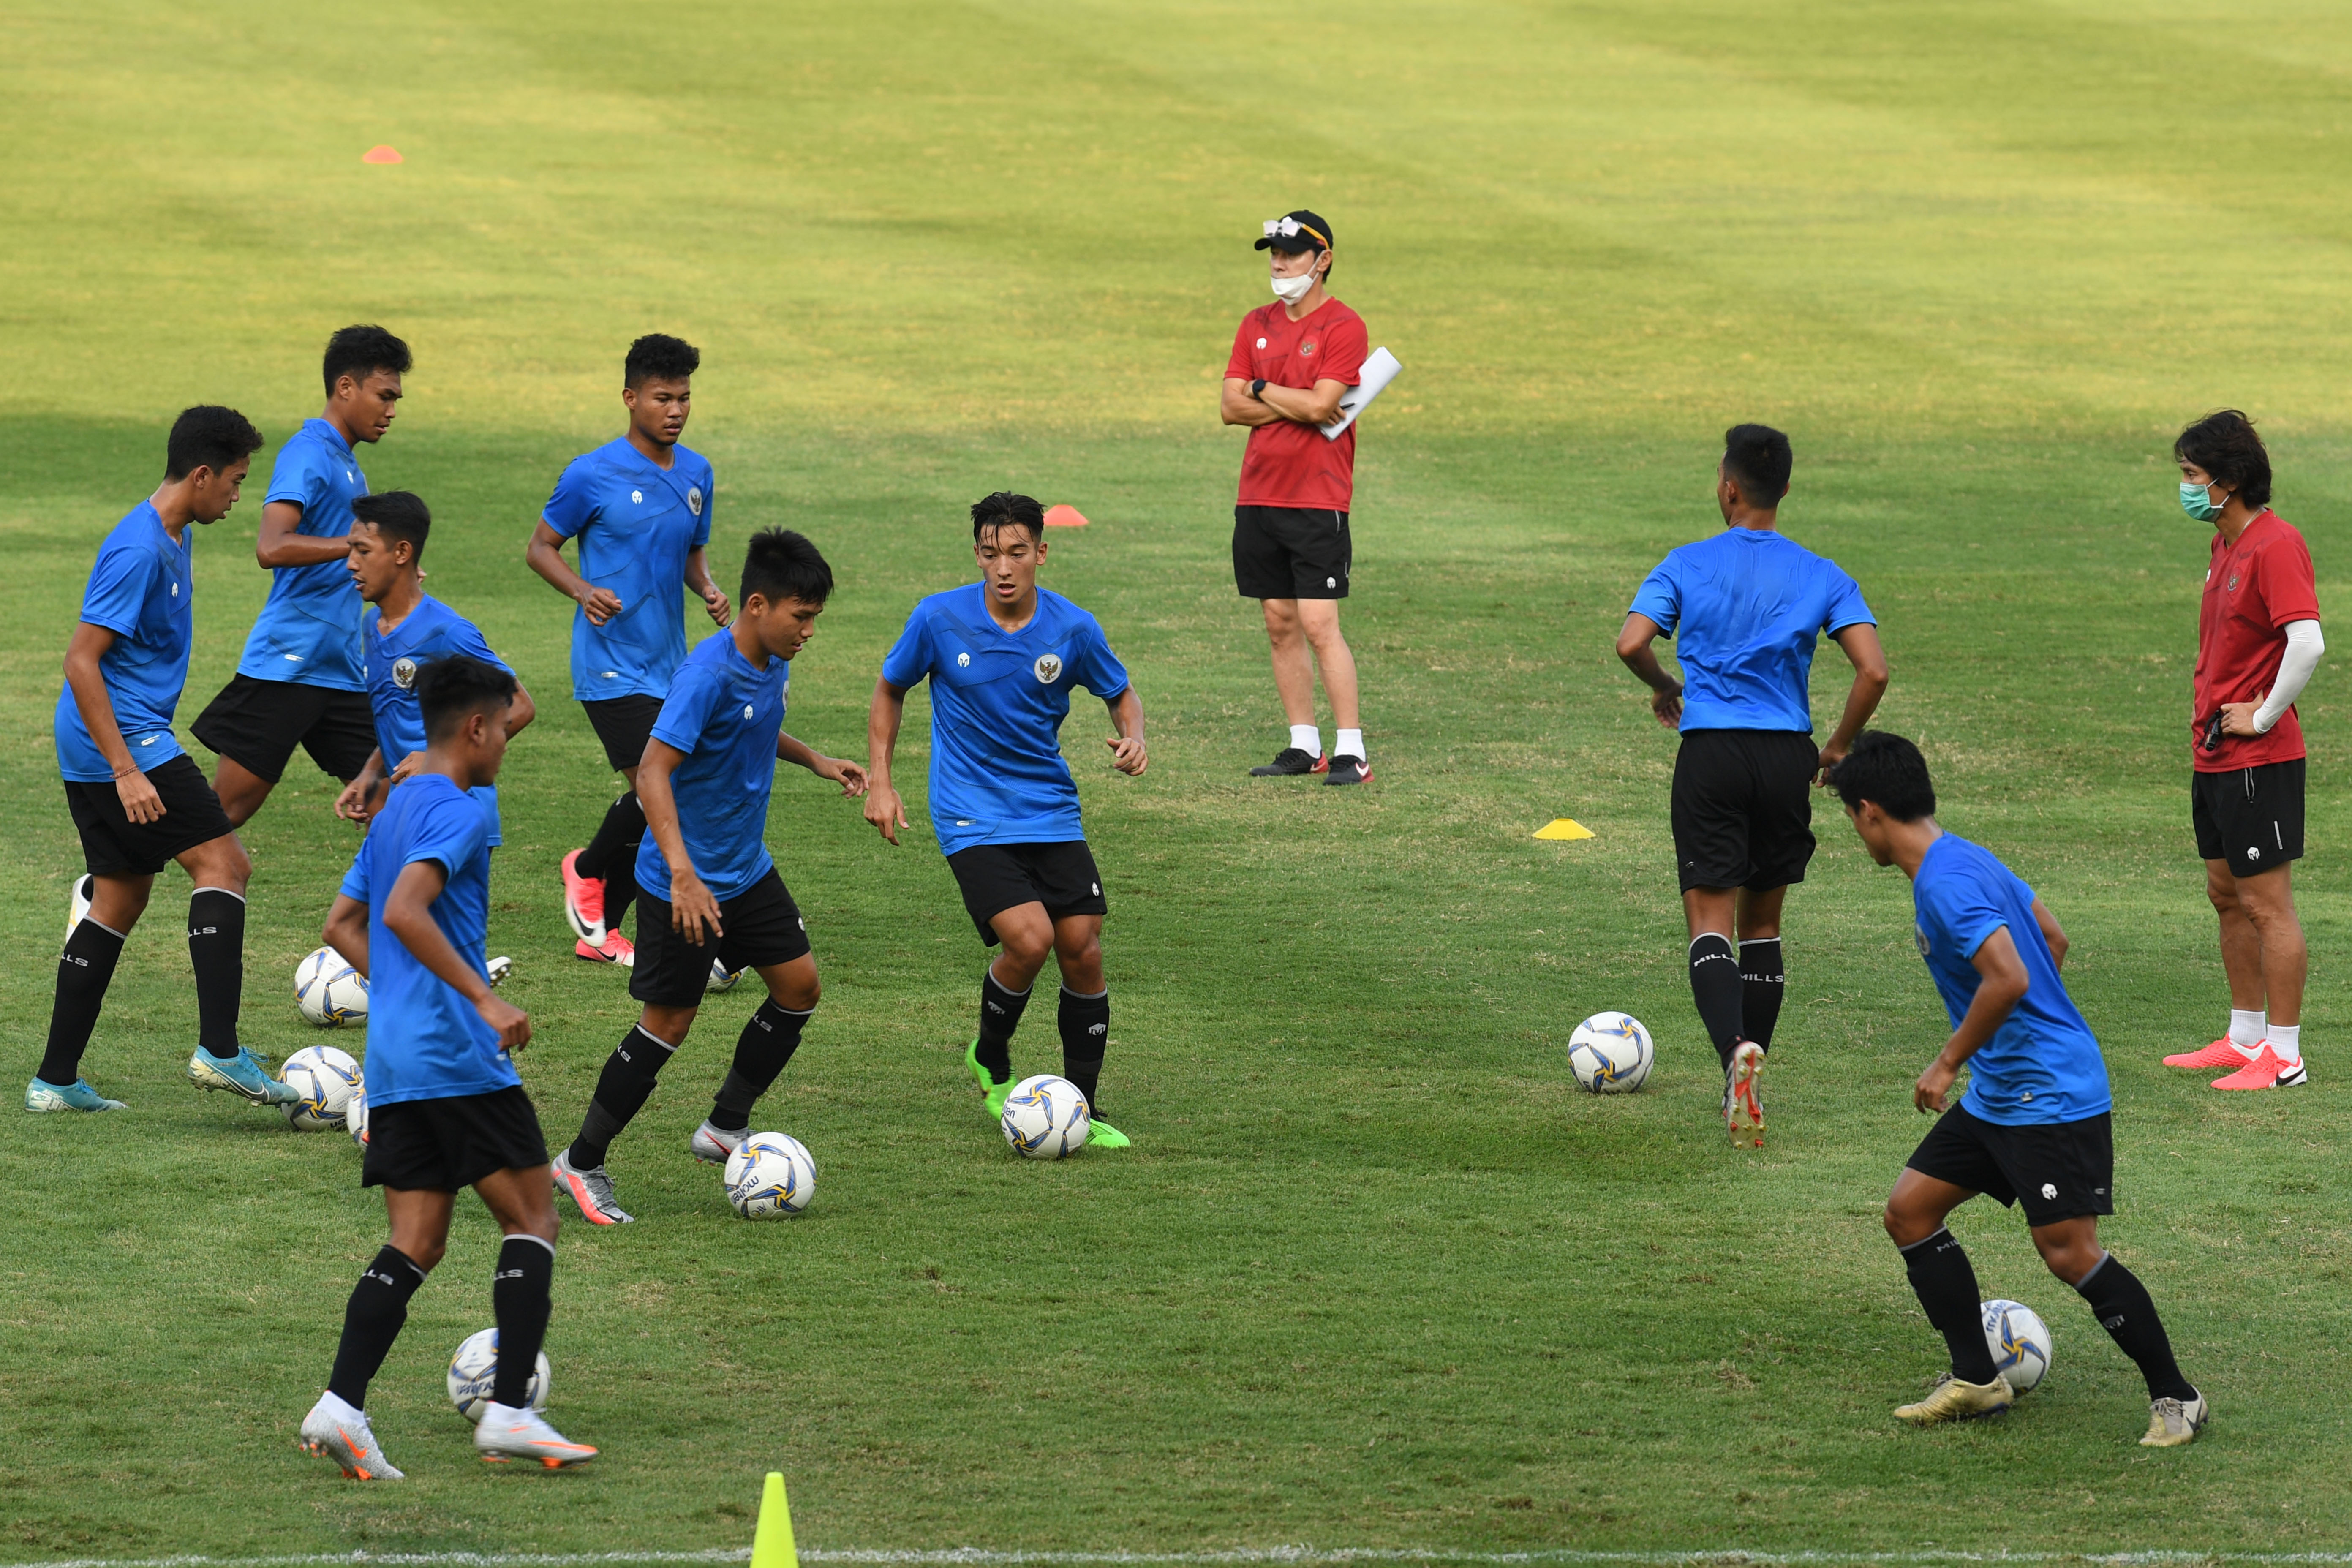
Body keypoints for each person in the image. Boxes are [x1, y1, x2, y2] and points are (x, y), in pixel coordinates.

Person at [1827, 731, 2207, 1446]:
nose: (1856, 831)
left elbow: (2009, 977)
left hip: (2048, 1094)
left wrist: (1948, 1062)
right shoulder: (1965, 855)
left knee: (2069, 1252)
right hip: (2004, 1089)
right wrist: (2023, 1034)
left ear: (1870, 811)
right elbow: (2052, 937)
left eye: (1851, 817)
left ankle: (2177, 1397)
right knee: (1910, 1212)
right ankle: (1976, 1380)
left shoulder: (1943, 883)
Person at [302, 657, 594, 1476]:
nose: (505, 740)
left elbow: (341, 923)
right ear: (474, 727)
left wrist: (402, 988)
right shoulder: (461, 810)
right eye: (502, 727)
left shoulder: (394, 808)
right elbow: (404, 910)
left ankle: (341, 1406)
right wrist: (482, 999)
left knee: (418, 1239)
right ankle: (509, 1412)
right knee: (533, 1220)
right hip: (457, 1055)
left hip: (395, 1058)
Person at [551, 530, 866, 1226]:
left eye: (814, 617)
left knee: (799, 988)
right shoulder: (707, 674)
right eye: (801, 616)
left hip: (745, 869)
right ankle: (579, 1161)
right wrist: (684, 875)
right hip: (682, 883)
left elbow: (752, 728)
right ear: (757, 605)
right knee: (668, 1024)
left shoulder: (771, 660)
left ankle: (725, 1126)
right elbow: (652, 772)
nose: (809, 632)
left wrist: (816, 760)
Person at [1615, 424, 1887, 1147]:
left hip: (1711, 753)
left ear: (1728, 488)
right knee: (1761, 928)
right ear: (1784, 490)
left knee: (1709, 924)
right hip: (1785, 758)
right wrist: (1837, 745)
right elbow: (1874, 670)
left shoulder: (1686, 562)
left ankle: (1734, 1053)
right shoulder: (1822, 573)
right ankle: (1751, 1068)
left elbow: (1630, 642)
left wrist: (1664, 683)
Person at [32, 405, 297, 1113]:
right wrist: (126, 769)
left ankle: (54, 1081)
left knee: (120, 895)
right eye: (236, 481)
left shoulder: (176, 535)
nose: (239, 497)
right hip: (122, 739)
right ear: (202, 475)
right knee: (225, 864)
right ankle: (220, 1049)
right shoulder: (140, 549)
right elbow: (81, 660)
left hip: (106, 736)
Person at [865, 492, 1146, 1146]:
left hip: (1050, 810)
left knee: (1083, 947)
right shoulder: (938, 619)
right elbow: (890, 688)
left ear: (1041, 553)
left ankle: (1085, 1109)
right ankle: (990, 1055)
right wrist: (882, 780)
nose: (1004, 567)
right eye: (991, 553)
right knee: (1030, 940)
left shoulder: (1073, 629)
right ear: (977, 556)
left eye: (1017, 552)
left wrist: (1134, 737)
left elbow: (1120, 692)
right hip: (970, 814)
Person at [525, 333, 731, 967]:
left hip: (671, 665)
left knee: (670, 793)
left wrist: (708, 588)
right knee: (661, 784)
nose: (676, 410)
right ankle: (588, 870)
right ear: (630, 398)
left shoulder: (697, 473)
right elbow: (540, 547)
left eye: (685, 398)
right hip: (610, 665)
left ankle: (603, 928)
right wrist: (583, 590)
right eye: (663, 398)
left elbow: (690, 552)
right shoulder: (591, 474)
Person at [191, 326, 411, 830]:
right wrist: (359, 546)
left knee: (393, 805)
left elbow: (350, 564)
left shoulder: (347, 464)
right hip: (290, 664)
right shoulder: (308, 452)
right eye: (385, 396)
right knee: (219, 817)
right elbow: (271, 546)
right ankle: (112, 871)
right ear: (346, 387)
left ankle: (397, 888)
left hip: (338, 666)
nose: (392, 410)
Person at [2161, 411, 2321, 1090]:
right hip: (2216, 754)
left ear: (2228, 482)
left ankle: (2285, 1058)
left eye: (2192, 475)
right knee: (2226, 895)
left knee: (2266, 905)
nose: (2186, 487)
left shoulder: (2276, 545)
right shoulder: (2226, 544)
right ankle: (2246, 1037)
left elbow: (2307, 642)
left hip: (2259, 759)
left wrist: (2263, 714)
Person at [1220, 210, 1372, 785]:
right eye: (1275, 254)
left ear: (1323, 260)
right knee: (1279, 621)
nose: (1279, 264)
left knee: (1319, 622)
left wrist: (1261, 387)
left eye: (1291, 254)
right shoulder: (1254, 323)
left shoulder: (1344, 326)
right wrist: (1291, 400)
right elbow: (1229, 407)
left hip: (1317, 497)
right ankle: (1304, 745)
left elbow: (1322, 405)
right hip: (1259, 494)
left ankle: (1352, 751)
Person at [332, 492, 535, 848]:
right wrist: (370, 772)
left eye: (363, 551)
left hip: (456, 812)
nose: (351, 563)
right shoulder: (372, 626)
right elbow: (397, 710)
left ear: (402, 553)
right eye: (351, 550)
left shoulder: (448, 632)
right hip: (409, 808)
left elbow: (520, 706)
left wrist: (437, 759)